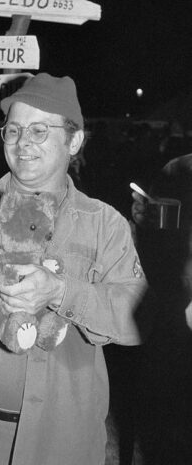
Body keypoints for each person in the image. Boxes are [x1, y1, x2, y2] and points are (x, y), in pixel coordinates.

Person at [0, 73, 150, 465]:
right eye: (14, 130)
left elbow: (141, 321)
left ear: (74, 141)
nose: (22, 143)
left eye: (39, 131)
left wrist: (61, 291)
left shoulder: (104, 224)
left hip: (59, 447)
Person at [131, 153, 192, 464]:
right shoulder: (177, 169)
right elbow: (155, 239)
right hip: (172, 309)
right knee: (166, 427)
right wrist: (143, 219)